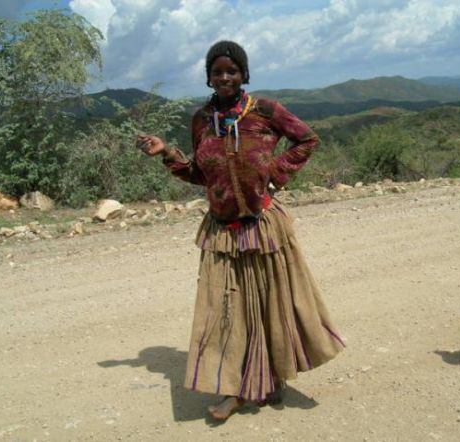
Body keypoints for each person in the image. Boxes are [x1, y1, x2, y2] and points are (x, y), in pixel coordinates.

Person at [137, 40, 344, 421]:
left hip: (264, 226)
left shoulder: (265, 110)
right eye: (217, 72)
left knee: (271, 305)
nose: (225, 77)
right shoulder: (201, 120)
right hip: (221, 231)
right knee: (225, 310)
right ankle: (233, 389)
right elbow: (199, 174)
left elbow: (307, 138)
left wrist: (274, 175)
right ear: (208, 78)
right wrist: (166, 153)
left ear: (244, 74)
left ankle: (273, 376)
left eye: (232, 70)